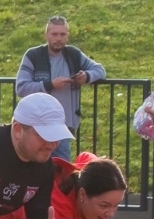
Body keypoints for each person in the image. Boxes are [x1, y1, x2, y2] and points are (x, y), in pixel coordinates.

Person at [14, 15, 107, 162]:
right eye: (54, 34)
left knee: (61, 170)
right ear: (46, 35)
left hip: (62, 127)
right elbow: (21, 88)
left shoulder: (73, 54)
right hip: (36, 127)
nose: (58, 38)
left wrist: (87, 77)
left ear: (67, 36)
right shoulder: (33, 55)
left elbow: (100, 69)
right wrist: (50, 84)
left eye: (62, 34)